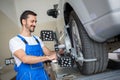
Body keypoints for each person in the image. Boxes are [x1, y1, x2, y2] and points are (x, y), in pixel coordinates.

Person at [9, 10, 60, 80]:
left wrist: (60, 52)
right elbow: (25, 59)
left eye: (35, 22)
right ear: (24, 22)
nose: (35, 24)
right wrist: (47, 58)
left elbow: (48, 53)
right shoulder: (15, 41)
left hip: (42, 75)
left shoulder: (37, 39)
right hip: (26, 76)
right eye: (32, 21)